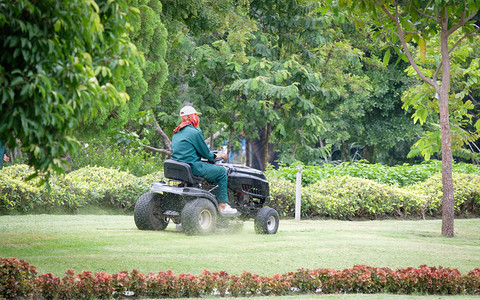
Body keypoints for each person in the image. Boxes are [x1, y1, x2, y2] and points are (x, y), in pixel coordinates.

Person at [171, 106, 238, 214]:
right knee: (221, 172)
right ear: (191, 117)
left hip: (179, 167)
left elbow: (188, 151)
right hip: (193, 168)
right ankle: (223, 205)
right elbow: (206, 153)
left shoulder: (177, 133)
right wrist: (218, 156)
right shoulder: (195, 132)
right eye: (196, 116)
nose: (198, 118)